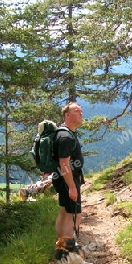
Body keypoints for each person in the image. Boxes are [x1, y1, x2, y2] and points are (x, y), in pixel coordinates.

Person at [52, 102, 84, 239]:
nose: (80, 113)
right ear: (67, 115)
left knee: (65, 213)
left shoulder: (68, 133)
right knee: (75, 215)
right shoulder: (65, 136)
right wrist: (71, 186)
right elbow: (64, 164)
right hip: (67, 179)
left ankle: (62, 250)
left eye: (81, 111)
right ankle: (70, 253)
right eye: (76, 111)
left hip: (63, 178)